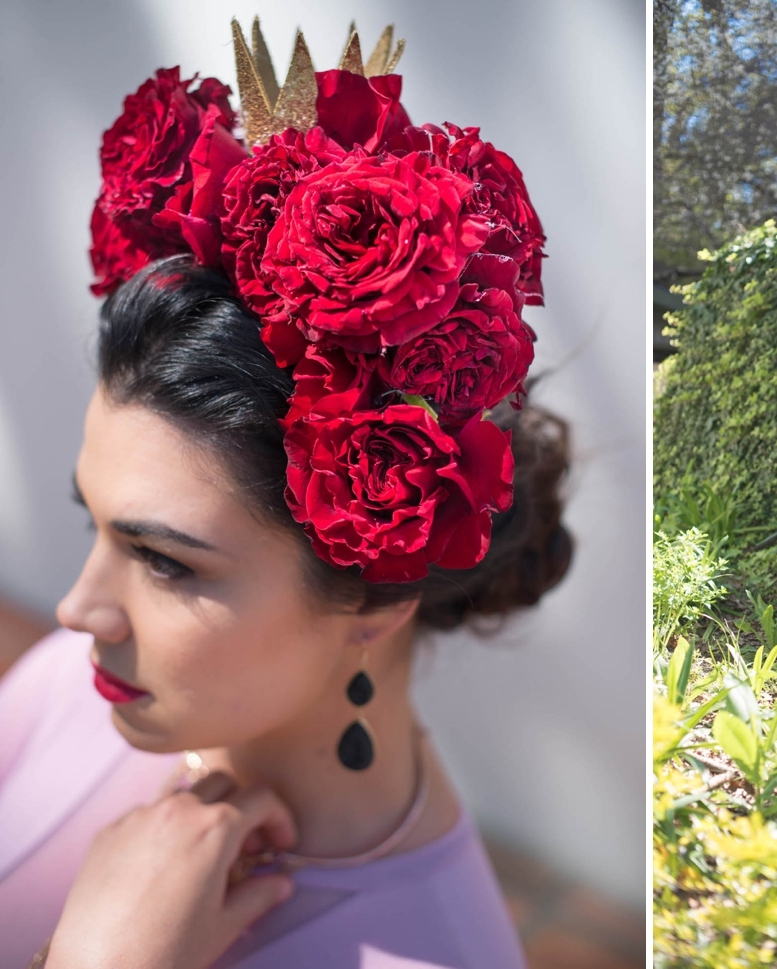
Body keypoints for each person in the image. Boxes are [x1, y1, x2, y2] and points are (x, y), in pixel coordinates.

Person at [0, 21, 570, 969]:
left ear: (375, 590)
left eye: (164, 559)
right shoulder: (75, 679)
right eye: (92, 522)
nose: (76, 609)